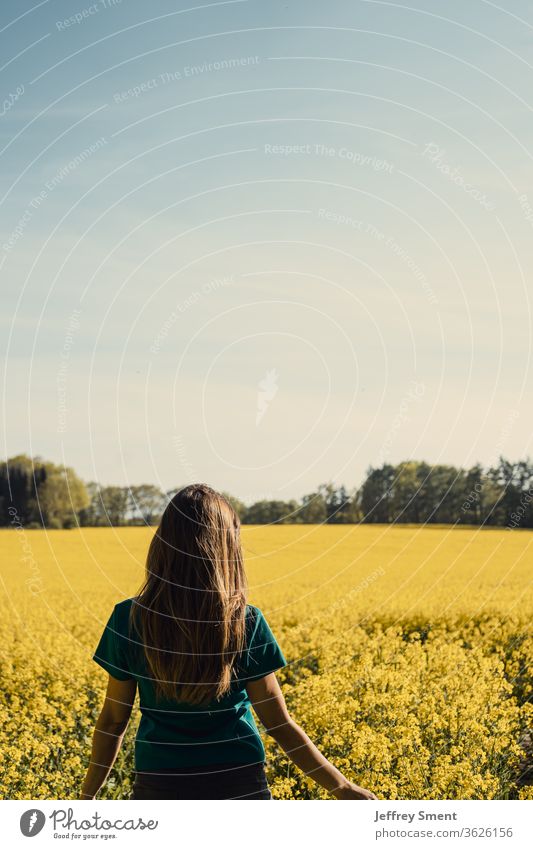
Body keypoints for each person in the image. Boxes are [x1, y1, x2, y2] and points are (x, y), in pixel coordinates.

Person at [81, 484, 377, 801]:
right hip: (239, 784)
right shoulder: (245, 622)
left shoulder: (129, 618)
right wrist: (343, 788)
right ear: (226, 547)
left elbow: (113, 721)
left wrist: (86, 797)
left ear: (164, 543)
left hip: (160, 784)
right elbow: (279, 724)